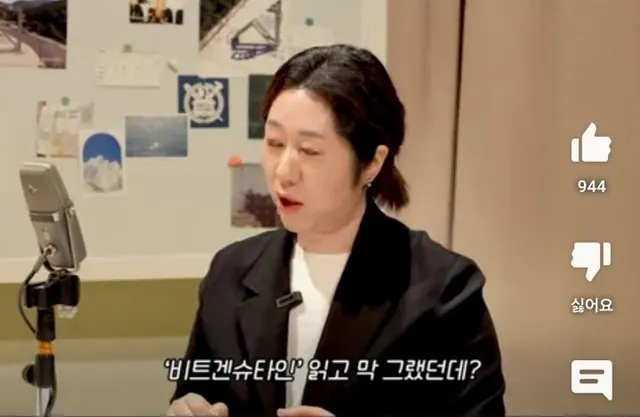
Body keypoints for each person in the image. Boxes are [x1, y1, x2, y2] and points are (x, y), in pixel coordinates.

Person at [168, 44, 506, 417]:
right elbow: (198, 391)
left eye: (310, 151)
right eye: (275, 144)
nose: (283, 172)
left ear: (372, 162)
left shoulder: (445, 290)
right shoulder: (230, 272)